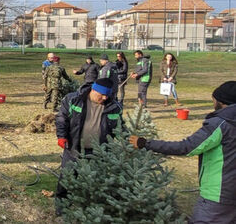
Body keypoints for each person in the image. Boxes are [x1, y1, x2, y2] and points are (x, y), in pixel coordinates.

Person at [129, 81, 236, 224]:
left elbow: (186, 147)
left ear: (222, 101)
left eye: (213, 99)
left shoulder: (221, 124)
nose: (213, 102)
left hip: (218, 194)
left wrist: (145, 143)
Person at [55, 78, 123, 211]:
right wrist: (62, 136)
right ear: (93, 90)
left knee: (95, 182)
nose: (104, 98)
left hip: (99, 151)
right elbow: (62, 118)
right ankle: (61, 208)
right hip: (73, 147)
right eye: (101, 94)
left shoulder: (113, 107)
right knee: (67, 178)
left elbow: (119, 128)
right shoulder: (73, 99)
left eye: (107, 95)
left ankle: (90, 210)